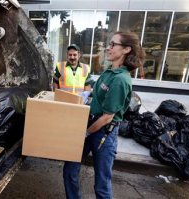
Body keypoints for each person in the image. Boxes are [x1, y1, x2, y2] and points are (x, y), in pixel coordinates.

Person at [63, 31, 145, 199]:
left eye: (113, 44)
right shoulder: (109, 72)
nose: (108, 48)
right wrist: (86, 98)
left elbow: (108, 116)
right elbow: (97, 95)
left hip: (103, 133)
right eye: (110, 44)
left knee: (101, 182)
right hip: (89, 124)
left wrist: (86, 133)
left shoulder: (121, 80)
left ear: (126, 49)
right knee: (70, 169)